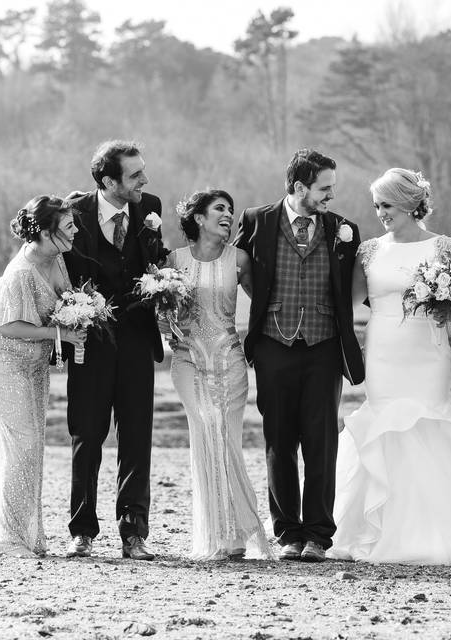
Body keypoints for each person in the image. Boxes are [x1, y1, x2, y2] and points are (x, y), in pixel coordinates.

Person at [329, 169, 451, 565]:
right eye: (377, 206)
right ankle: (376, 528)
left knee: (428, 419)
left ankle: (437, 528)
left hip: (427, 349)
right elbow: (347, 300)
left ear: (411, 205)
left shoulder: (443, 245)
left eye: (387, 205)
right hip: (383, 349)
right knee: (384, 419)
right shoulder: (371, 250)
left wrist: (444, 297)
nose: (380, 213)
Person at [233, 148, 365, 562]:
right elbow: (240, 269)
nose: (331, 195)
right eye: (325, 188)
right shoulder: (258, 220)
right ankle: (288, 532)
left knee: (321, 442)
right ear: (299, 187)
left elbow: (351, 287)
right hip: (274, 344)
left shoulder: (344, 229)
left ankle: (319, 535)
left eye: (332, 187)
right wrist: (267, 307)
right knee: (279, 441)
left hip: (325, 346)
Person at [63, 140, 167, 561]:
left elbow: (154, 262)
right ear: (108, 181)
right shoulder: (75, 212)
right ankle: (82, 530)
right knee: (87, 435)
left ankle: (134, 533)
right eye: (135, 174)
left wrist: (163, 289)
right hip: (91, 342)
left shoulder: (151, 207)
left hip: (139, 340)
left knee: (137, 435)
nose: (145, 180)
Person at [166, 190, 271, 560]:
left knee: (226, 438)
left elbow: (263, 305)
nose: (228, 215)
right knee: (206, 428)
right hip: (187, 360)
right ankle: (216, 532)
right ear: (198, 218)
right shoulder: (172, 260)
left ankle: (235, 537)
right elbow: (162, 311)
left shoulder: (239, 259)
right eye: (219, 209)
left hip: (229, 360)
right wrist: (164, 320)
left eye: (230, 209)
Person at [0, 196, 85, 557]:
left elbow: (66, 301)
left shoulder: (56, 258)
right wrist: (61, 335)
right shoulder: (21, 272)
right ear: (44, 231)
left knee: (32, 443)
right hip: (5, 358)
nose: (75, 231)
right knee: (19, 443)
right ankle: (9, 541)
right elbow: (9, 326)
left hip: (34, 360)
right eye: (68, 225)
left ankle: (28, 535)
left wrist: (82, 313)